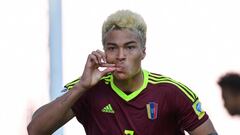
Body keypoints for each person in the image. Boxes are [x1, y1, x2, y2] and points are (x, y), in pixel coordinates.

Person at [27, 10, 218, 135]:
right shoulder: (87, 88)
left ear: (143, 51)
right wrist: (81, 87)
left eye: (129, 47)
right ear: (104, 51)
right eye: (112, 48)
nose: (120, 55)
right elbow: (35, 130)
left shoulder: (172, 92)